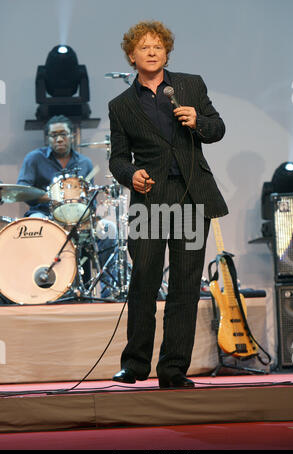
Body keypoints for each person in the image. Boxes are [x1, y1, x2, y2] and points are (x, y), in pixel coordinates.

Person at [109, 21, 228, 388]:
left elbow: (218, 127)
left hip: (191, 195)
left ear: (166, 52)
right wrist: (132, 175)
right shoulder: (121, 105)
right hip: (148, 201)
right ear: (132, 56)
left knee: (185, 285)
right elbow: (117, 158)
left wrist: (199, 122)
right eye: (144, 47)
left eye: (158, 46)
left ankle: (173, 369)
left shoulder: (190, 84)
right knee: (144, 280)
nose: (152, 51)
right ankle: (135, 364)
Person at [17, 114, 117, 299]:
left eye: (64, 134)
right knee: (34, 223)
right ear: (48, 138)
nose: (59, 139)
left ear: (72, 135)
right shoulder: (34, 159)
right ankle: (38, 289)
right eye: (54, 135)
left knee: (109, 230)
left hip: (79, 220)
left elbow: (90, 201)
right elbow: (22, 191)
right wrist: (54, 198)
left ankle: (109, 292)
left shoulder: (84, 163)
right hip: (44, 216)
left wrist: (89, 212)